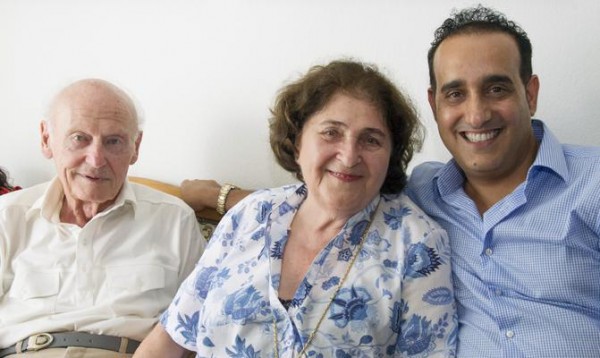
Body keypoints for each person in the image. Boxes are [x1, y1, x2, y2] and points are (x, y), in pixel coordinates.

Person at [178, 6, 600, 357]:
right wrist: (222, 197)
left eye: (496, 89)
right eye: (455, 93)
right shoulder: (424, 191)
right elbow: (325, 199)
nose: (475, 114)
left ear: (531, 93)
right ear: (435, 104)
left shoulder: (592, 183)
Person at [134, 60, 457, 357]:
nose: (348, 155)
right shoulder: (251, 214)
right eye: (331, 132)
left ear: (391, 155)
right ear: (297, 141)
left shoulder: (418, 244)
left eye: (371, 140)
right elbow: (167, 341)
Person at [0, 79, 206, 357]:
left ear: (136, 147)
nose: (96, 159)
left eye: (113, 141)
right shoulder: (8, 215)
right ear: (46, 139)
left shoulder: (174, 220)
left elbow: (201, 331)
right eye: (79, 138)